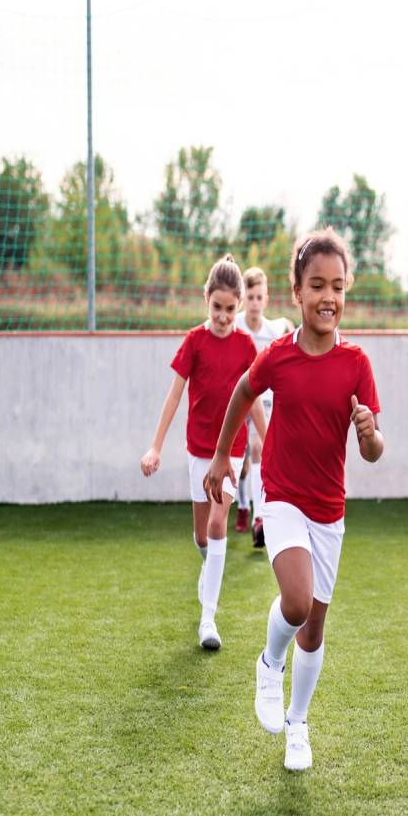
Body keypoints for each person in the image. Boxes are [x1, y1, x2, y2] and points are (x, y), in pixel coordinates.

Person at [205, 228, 384, 770]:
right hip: (281, 497)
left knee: (316, 627)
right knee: (297, 601)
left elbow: (374, 452)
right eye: (316, 285)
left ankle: (297, 725)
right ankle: (269, 662)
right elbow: (242, 392)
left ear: (346, 290)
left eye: (337, 286)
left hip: (330, 510)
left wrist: (369, 431)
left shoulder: (356, 364)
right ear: (297, 293)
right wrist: (220, 459)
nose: (328, 297)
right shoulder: (278, 357)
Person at [140, 255, 266, 652]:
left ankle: (207, 618)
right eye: (217, 307)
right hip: (198, 452)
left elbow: (257, 403)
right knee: (201, 537)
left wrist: (273, 442)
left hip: (231, 452)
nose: (224, 316)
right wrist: (155, 446)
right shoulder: (194, 341)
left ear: (240, 306)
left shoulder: (248, 347)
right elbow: (174, 395)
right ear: (206, 300)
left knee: (217, 525)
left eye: (231, 309)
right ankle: (208, 566)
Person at [233, 267, 293, 546]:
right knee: (241, 466)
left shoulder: (274, 329)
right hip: (238, 400)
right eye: (251, 297)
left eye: (260, 297)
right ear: (243, 299)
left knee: (258, 449)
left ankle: (259, 519)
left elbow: (288, 327)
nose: (255, 303)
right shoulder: (234, 325)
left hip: (264, 403)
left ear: (266, 299)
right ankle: (243, 504)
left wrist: (291, 328)